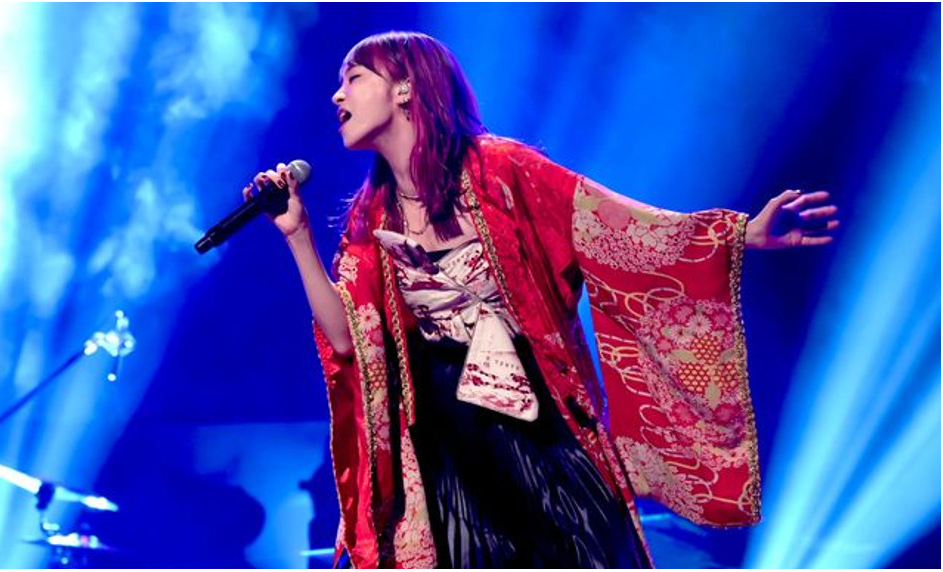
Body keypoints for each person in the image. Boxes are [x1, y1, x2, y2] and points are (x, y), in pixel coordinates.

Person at [244, 31, 838, 568]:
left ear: (405, 88)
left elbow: (618, 227)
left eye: (353, 77)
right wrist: (297, 235)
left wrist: (742, 233)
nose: (336, 95)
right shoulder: (370, 219)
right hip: (448, 449)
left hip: (538, 429)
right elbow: (346, 337)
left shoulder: (502, 171)